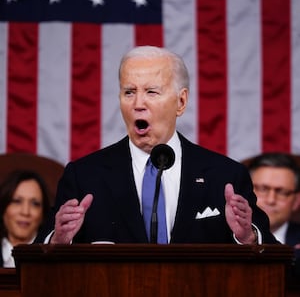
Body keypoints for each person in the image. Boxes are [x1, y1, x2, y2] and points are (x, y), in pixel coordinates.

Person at [35, 45, 278, 246]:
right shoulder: (84, 176)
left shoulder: (225, 176)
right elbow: (39, 254)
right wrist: (59, 240)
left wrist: (247, 237)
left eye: (151, 92)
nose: (138, 103)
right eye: (129, 92)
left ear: (181, 102)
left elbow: (274, 257)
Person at [247, 152, 300, 275]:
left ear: (297, 200)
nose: (271, 200)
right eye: (263, 189)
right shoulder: (221, 238)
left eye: (281, 192)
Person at [0, 170, 50, 267]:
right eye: (17, 201)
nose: (25, 212)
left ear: (43, 213)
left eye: (35, 204)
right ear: (3, 208)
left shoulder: (51, 261)